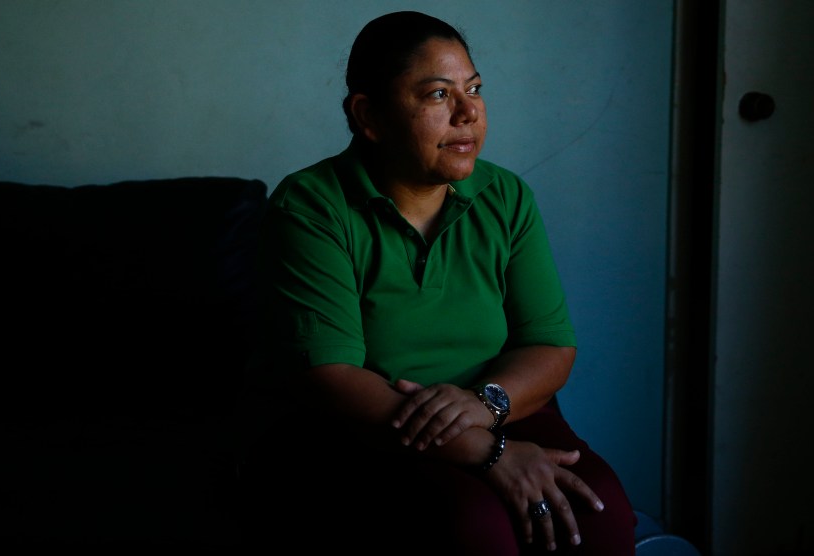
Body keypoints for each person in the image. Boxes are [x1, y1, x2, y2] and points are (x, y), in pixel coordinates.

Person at [247, 10, 636, 555]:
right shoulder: (312, 206)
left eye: (474, 89)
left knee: (602, 510)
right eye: (438, 94)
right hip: (372, 432)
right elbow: (331, 377)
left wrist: (485, 406)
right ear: (368, 115)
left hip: (500, 407)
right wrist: (489, 452)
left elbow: (550, 346)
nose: (468, 112)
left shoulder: (506, 197)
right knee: (476, 527)